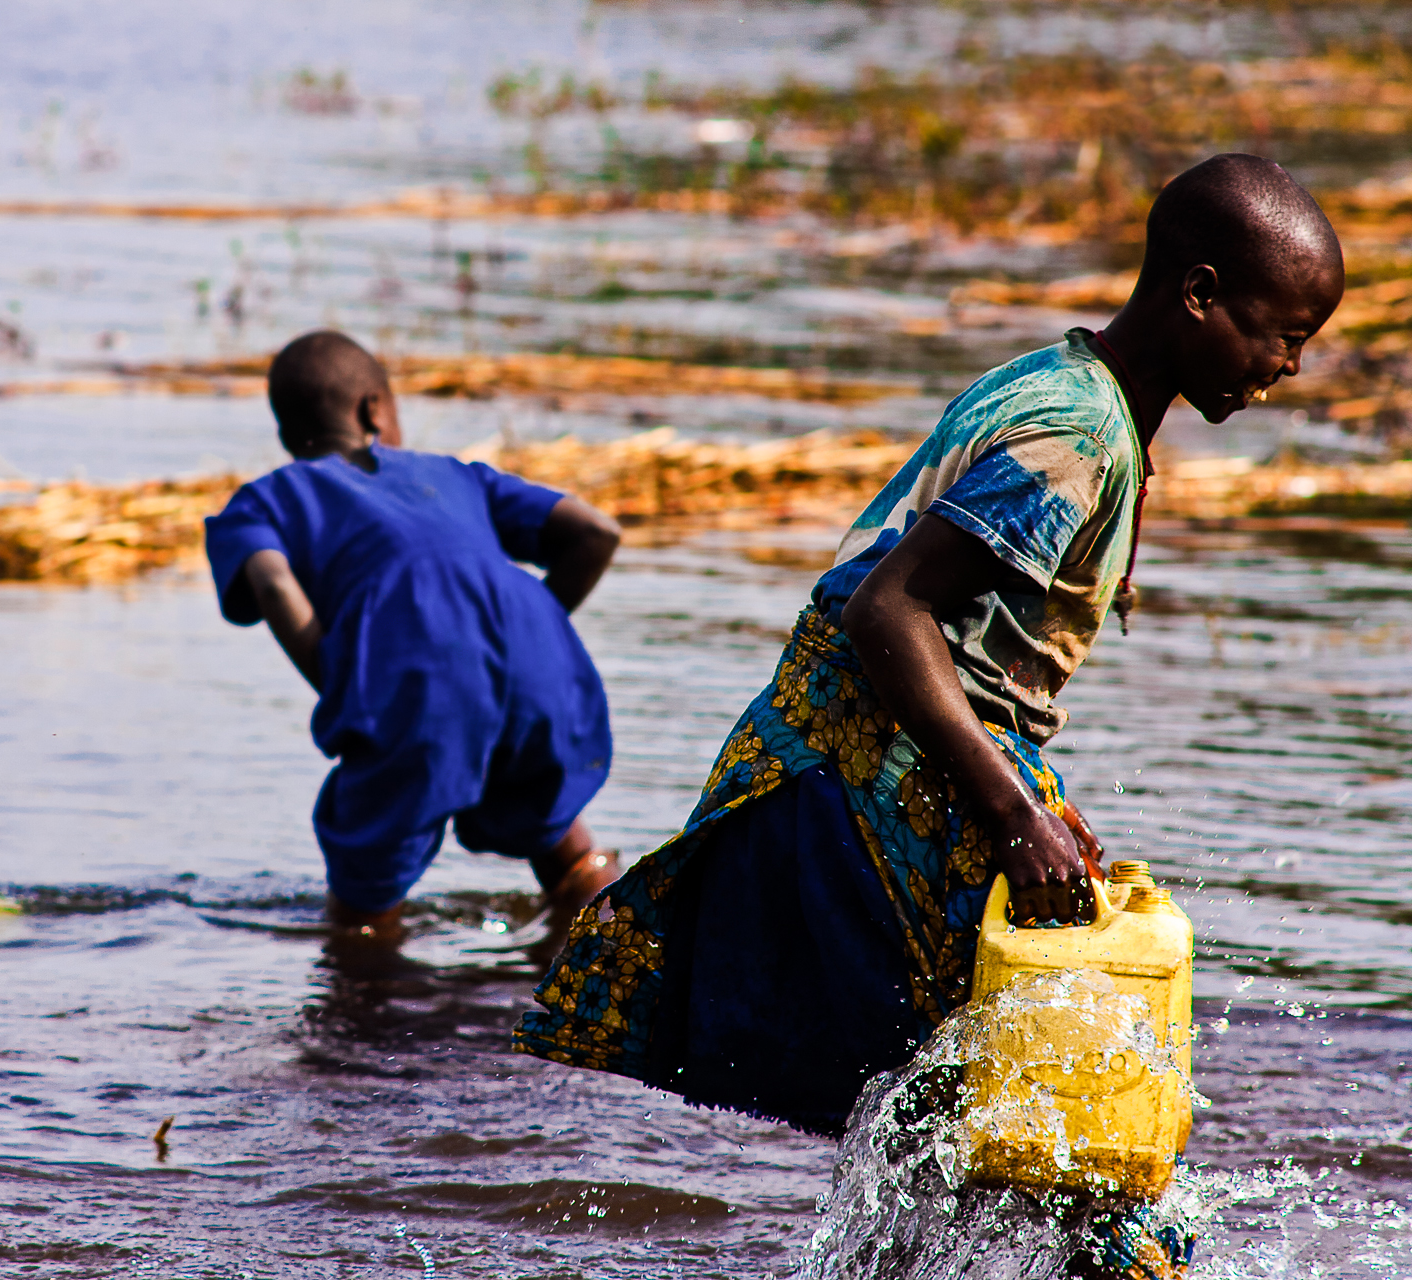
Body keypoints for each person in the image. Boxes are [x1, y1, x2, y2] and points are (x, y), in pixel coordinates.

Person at [514, 154, 1344, 1276]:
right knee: (1080, 1123)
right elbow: (888, 610)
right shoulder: (1077, 434)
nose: (1289, 365)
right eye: (1278, 331)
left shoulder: (1074, 391)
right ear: (1197, 293)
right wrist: (1015, 814)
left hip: (875, 761)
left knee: (961, 1114)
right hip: (881, 775)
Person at [204, 330, 626, 940]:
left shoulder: (269, 499)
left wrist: (341, 679)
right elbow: (596, 532)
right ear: (375, 408)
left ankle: (371, 1010)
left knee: (362, 909)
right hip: (540, 657)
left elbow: (271, 584)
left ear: (287, 436)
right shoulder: (453, 474)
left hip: (411, 667)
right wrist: (530, 634)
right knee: (561, 837)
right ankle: (631, 958)